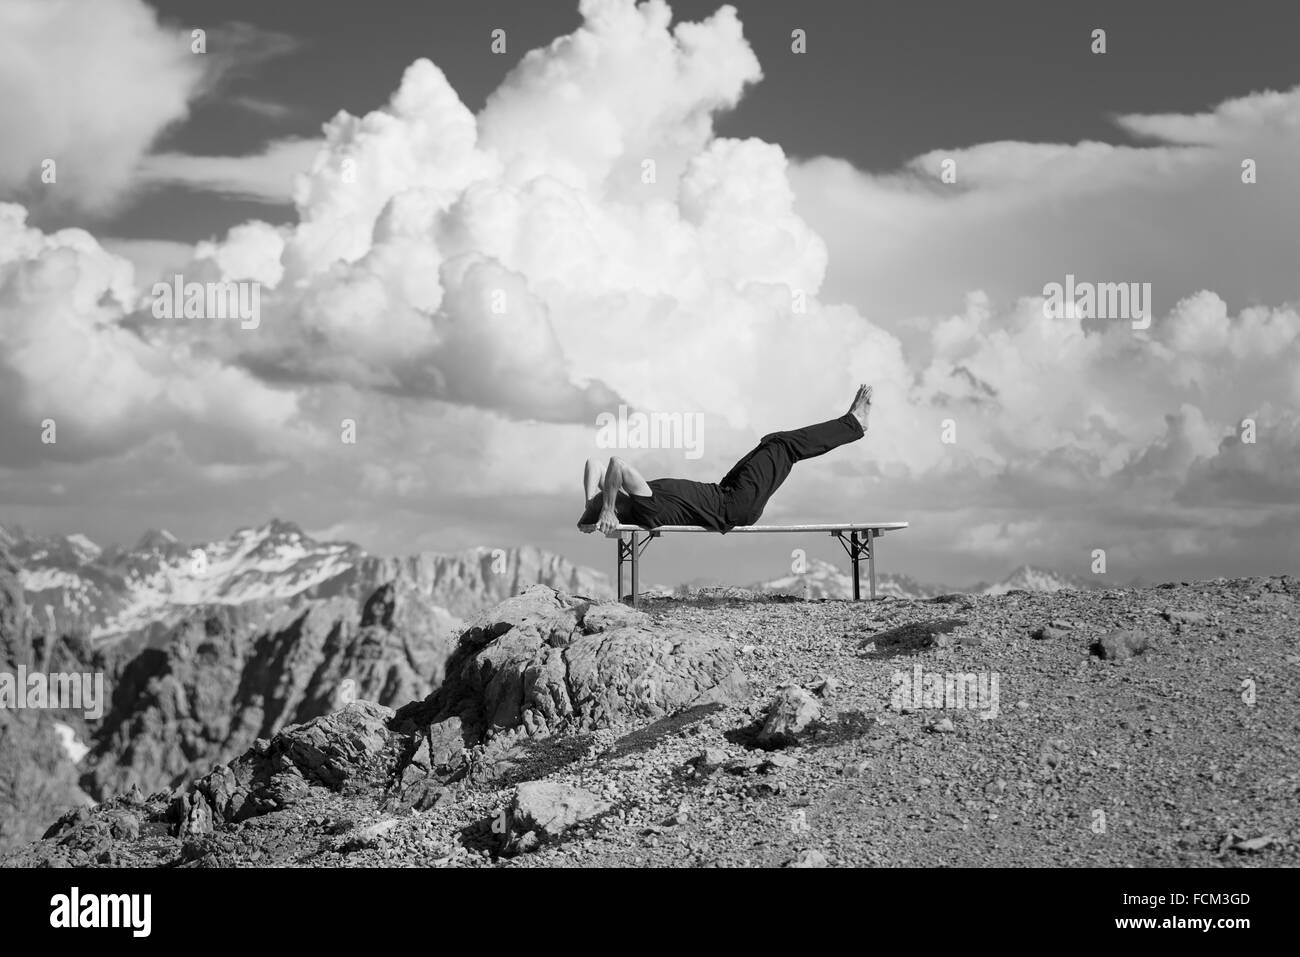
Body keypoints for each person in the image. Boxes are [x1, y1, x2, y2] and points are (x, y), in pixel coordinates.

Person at [578, 385, 872, 535]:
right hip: (734, 505)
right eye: (609, 497)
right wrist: (605, 511)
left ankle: (850, 424)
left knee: (772, 441)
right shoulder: (644, 506)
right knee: (784, 447)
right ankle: (854, 424)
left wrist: (590, 507)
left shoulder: (626, 500)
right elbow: (616, 462)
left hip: (725, 491)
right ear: (619, 506)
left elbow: (595, 463)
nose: (609, 492)